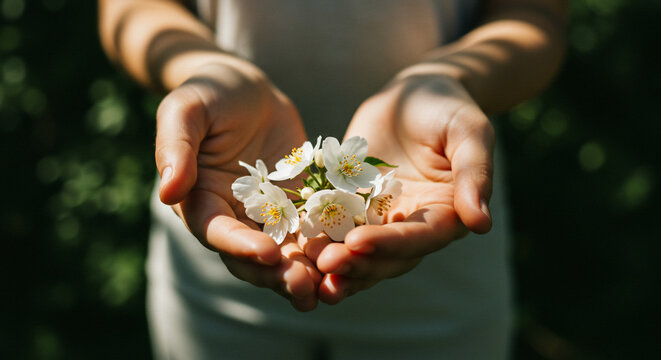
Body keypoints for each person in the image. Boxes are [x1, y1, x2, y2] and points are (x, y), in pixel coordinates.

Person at [98, 0, 566, 358]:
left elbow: (534, 13)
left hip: (438, 251)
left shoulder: (373, 186)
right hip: (219, 243)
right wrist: (204, 70)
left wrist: (452, 77)